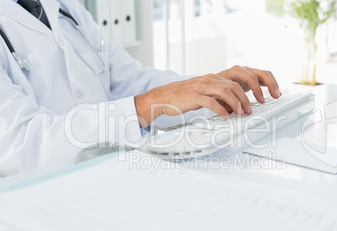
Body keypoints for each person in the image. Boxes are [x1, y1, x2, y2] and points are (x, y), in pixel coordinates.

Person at [0, 0, 281, 176]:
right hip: (42, 203)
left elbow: (131, 82)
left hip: (118, 175)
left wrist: (208, 88)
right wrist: (149, 103)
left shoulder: (67, 9)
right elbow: (22, 145)